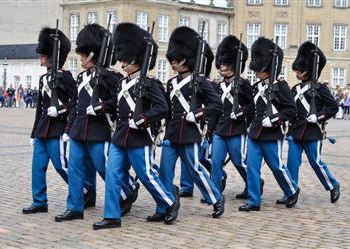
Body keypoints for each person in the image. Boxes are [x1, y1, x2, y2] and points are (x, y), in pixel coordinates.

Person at [93, 22, 179, 230]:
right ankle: (112, 215)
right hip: (120, 136)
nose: (122, 63)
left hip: (139, 136)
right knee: (113, 175)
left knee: (146, 175)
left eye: (125, 59)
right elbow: (116, 105)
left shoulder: (150, 83)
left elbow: (163, 108)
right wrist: (101, 105)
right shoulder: (122, 83)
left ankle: (169, 201)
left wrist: (144, 119)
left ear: (136, 59)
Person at [55, 23, 138, 223]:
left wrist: (101, 106)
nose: (81, 59)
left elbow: (118, 101)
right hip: (78, 131)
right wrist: (69, 127)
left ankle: (127, 192)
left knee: (104, 168)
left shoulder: (111, 76)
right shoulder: (82, 77)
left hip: (99, 131)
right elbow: (74, 104)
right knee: (75, 169)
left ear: (93, 54)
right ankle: (74, 206)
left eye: (84, 56)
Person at [152, 26, 225, 221]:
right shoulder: (172, 83)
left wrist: (199, 113)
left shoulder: (200, 81)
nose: (173, 63)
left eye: (176, 60)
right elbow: (168, 109)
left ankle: (216, 197)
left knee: (194, 170)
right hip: (172, 133)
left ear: (187, 59)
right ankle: (164, 207)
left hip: (190, 133)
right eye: (172, 60)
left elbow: (216, 104)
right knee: (165, 172)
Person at [22, 27, 94, 214]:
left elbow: (76, 104)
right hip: (42, 130)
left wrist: (60, 110)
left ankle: (85, 189)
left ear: (52, 56)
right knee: (37, 168)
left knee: (61, 166)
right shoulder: (44, 78)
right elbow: (40, 109)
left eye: (44, 55)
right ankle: (39, 201)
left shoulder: (67, 78)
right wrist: (33, 133)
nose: (41, 58)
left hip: (57, 129)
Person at [239, 37, 299, 212]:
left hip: (272, 132)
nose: (256, 71)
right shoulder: (256, 86)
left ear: (266, 66)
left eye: (259, 67)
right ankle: (254, 200)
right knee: (252, 167)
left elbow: (291, 110)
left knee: (276, 167)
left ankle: (292, 190)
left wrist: (274, 119)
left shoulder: (281, 86)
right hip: (255, 132)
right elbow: (251, 108)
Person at [285, 41, 340, 204]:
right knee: (291, 163)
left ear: (308, 70)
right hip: (295, 131)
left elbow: (333, 107)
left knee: (315, 162)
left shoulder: (320, 88)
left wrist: (319, 116)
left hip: (313, 131)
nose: (297, 74)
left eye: (300, 71)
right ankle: (291, 191)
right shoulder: (295, 89)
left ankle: (333, 185)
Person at [210, 35, 263, 199]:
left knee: (239, 162)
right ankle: (215, 193)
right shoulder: (218, 86)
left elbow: (251, 107)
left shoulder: (243, 84)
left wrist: (240, 112)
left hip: (236, 129)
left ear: (234, 65)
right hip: (220, 129)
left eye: (226, 65)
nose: (222, 67)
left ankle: (253, 183)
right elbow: (215, 110)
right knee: (215, 163)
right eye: (221, 65)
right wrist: (210, 131)